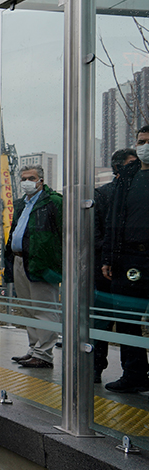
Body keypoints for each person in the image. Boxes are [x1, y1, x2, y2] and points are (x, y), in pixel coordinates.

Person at [100, 126, 149, 393]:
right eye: (141, 141)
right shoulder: (127, 177)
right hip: (129, 258)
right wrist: (108, 257)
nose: (144, 146)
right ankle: (134, 374)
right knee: (127, 320)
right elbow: (113, 221)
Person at [4, 166, 63, 368]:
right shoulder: (21, 204)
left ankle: (44, 354)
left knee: (44, 309)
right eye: (23, 179)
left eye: (31, 178)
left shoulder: (53, 202)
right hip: (20, 260)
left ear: (41, 181)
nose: (26, 182)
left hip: (41, 262)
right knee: (28, 308)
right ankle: (34, 349)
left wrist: (55, 261)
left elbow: (64, 233)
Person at [93, 149, 137, 383]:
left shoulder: (138, 190)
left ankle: (133, 372)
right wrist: (113, 253)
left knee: (128, 323)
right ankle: (95, 367)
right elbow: (96, 234)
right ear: (118, 167)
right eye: (132, 163)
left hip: (131, 267)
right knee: (102, 319)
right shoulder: (103, 194)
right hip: (107, 268)